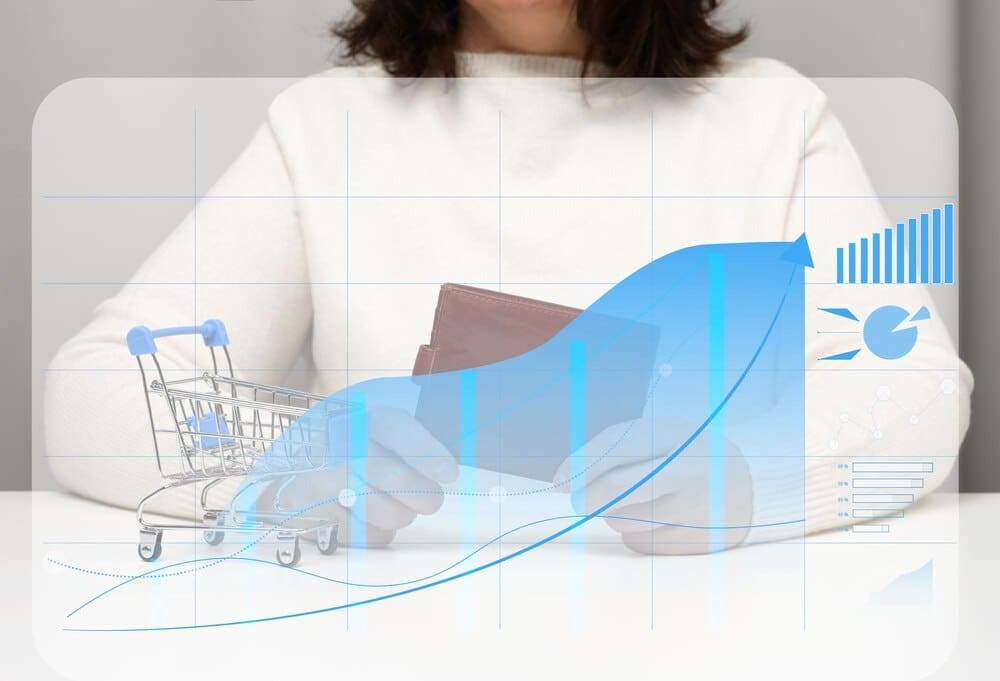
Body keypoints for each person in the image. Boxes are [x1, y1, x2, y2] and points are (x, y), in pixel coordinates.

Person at [45, 0, 972, 553]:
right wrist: (278, 468)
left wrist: (750, 478)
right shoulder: (325, 126)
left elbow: (917, 382)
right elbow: (92, 389)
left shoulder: (772, 116)